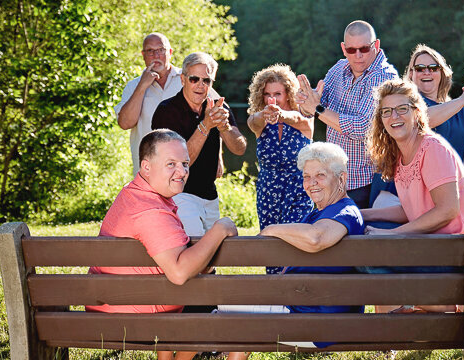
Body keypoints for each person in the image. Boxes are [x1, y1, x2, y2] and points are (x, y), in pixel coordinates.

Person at [86, 129, 238, 360]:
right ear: (146, 167)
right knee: (221, 313)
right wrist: (220, 229)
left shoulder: (133, 193)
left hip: (110, 305)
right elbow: (178, 273)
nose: (182, 172)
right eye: (171, 164)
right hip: (130, 316)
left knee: (198, 289)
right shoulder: (151, 210)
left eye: (185, 163)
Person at [220, 142, 365, 359]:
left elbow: (316, 238)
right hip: (307, 310)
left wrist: (271, 229)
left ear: (341, 178)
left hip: (318, 321)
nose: (311, 183)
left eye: (320, 175)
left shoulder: (344, 211)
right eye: (306, 176)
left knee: (225, 306)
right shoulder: (322, 212)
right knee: (228, 308)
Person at [361, 79, 464, 313]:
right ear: (381, 120)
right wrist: (361, 214)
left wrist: (392, 235)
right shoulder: (399, 155)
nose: (394, 116)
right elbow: (412, 209)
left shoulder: (432, 148)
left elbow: (447, 210)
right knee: (362, 241)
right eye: (386, 111)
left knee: (369, 255)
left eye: (402, 109)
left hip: (451, 255)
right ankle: (411, 309)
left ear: (417, 112)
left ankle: (436, 305)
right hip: (427, 246)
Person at [296, 20, 398, 208]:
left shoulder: (385, 77)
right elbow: (313, 109)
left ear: (376, 45)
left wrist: (317, 109)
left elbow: (363, 128)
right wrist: (305, 102)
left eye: (364, 49)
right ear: (344, 49)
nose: (358, 56)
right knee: (330, 234)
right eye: (351, 50)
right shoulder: (338, 68)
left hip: (366, 181)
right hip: (333, 179)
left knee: (359, 235)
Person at [151, 52, 247, 236]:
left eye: (206, 80)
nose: (201, 86)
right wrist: (206, 125)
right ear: (183, 79)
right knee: (197, 247)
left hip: (210, 195)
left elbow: (240, 148)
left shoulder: (219, 107)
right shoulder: (166, 111)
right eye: (194, 79)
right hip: (179, 194)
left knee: (211, 254)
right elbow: (178, 164)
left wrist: (224, 127)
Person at [247, 64, 314, 274]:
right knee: (272, 247)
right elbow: (253, 121)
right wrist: (265, 115)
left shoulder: (304, 120)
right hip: (268, 191)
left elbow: (298, 119)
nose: (272, 100)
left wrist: (281, 115)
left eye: (278, 94)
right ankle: (276, 300)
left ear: (289, 93)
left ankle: (299, 299)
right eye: (267, 95)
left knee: (296, 246)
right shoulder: (260, 122)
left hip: (299, 190)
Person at [404, 44, 464, 160]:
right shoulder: (405, 102)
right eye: (420, 68)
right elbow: (421, 120)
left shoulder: (458, 110)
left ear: (442, 73)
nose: (426, 72)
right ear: (411, 73)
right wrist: (463, 99)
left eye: (433, 68)